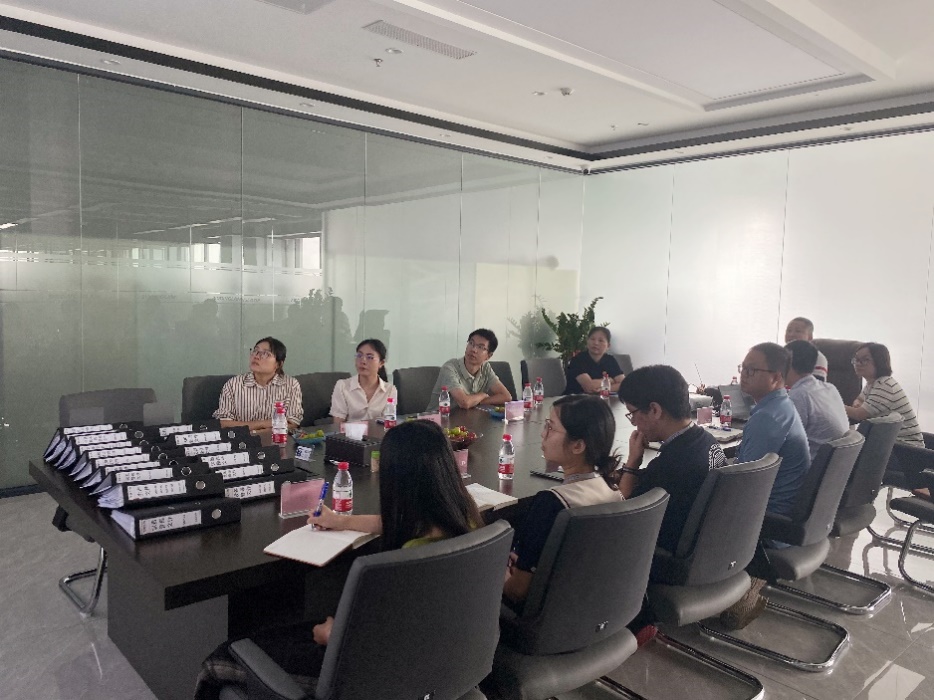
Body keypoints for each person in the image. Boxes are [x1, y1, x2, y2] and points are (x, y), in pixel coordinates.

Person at [194, 420, 481, 699]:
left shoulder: (408, 564)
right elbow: (402, 522)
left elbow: (372, 642)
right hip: (439, 665)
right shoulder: (464, 522)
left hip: (368, 677)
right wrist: (341, 521)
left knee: (219, 659)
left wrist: (331, 633)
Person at [722, 342, 810, 630]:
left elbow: (743, 485)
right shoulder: (779, 406)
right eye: (743, 368)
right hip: (782, 512)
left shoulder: (768, 418)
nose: (744, 375)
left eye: (752, 370)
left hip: (768, 524)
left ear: (776, 377)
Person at [504, 394, 623, 608]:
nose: (543, 434)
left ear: (578, 446)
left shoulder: (552, 503)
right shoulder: (613, 491)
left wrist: (499, 571)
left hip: (543, 616)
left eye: (551, 428)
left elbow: (518, 591)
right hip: (595, 606)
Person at [616, 365, 726, 554]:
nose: (633, 422)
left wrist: (632, 464)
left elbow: (622, 516)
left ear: (654, 410)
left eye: (632, 413)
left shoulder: (669, 466)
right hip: (709, 550)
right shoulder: (706, 440)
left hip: (664, 558)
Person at [213, 337, 303, 430]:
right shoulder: (234, 384)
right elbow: (223, 423)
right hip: (242, 438)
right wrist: (264, 424)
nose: (256, 356)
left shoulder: (291, 385)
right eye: (255, 351)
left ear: (278, 364)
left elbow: (293, 422)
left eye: (266, 354)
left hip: (276, 437)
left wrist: (260, 432)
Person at [845, 342, 924, 446]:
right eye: (856, 359)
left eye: (865, 360)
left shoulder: (884, 386)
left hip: (906, 449)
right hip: (890, 444)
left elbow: (859, 415)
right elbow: (860, 399)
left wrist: (833, 406)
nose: (858, 364)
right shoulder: (873, 383)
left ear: (879, 362)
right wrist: (858, 403)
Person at [785, 340, 849, 462]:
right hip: (836, 467)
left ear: (788, 364)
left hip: (811, 468)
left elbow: (787, 440)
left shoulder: (800, 394)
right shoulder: (830, 388)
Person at [427, 329, 513, 410]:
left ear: (489, 356)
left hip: (464, 417)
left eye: (480, 347)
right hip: (438, 418)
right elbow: (464, 402)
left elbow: (506, 396)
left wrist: (478, 402)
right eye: (471, 343)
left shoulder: (485, 367)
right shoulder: (450, 367)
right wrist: (483, 395)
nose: (473, 349)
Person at [329, 339, 397, 426]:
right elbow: (338, 425)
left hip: (378, 434)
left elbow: (387, 424)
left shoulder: (390, 390)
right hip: (349, 434)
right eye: (359, 355)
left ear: (381, 363)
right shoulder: (342, 386)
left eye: (370, 357)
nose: (363, 361)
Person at [563, 327, 626, 395]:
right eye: (592, 339)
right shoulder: (578, 360)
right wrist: (610, 380)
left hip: (602, 398)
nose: (596, 343)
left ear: (608, 346)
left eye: (601, 340)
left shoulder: (610, 360)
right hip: (576, 398)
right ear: (587, 341)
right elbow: (589, 387)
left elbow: (623, 384)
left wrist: (604, 389)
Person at [784, 317, 828, 381]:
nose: (791, 334)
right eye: (789, 330)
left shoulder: (818, 357)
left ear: (810, 337)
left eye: (798, 331)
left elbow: (815, 384)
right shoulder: (781, 354)